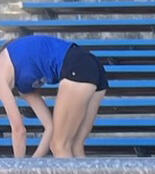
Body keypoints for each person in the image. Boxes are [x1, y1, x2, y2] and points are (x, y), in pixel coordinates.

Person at [0, 34, 108, 162]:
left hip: (76, 67)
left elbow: (19, 130)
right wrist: (32, 164)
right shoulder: (23, 86)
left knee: (59, 145)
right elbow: (49, 126)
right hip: (92, 66)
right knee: (75, 147)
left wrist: (17, 172)